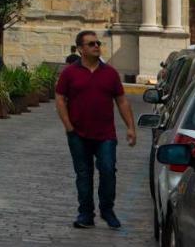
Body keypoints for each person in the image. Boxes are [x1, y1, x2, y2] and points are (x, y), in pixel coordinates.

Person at [55, 30, 136, 230]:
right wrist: (68, 127)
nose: (96, 46)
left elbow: (122, 101)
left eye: (98, 43)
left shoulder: (110, 73)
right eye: (91, 44)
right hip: (78, 134)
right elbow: (59, 99)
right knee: (83, 175)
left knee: (108, 171)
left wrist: (130, 127)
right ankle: (85, 214)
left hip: (105, 135)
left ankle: (107, 210)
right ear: (81, 49)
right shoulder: (69, 73)